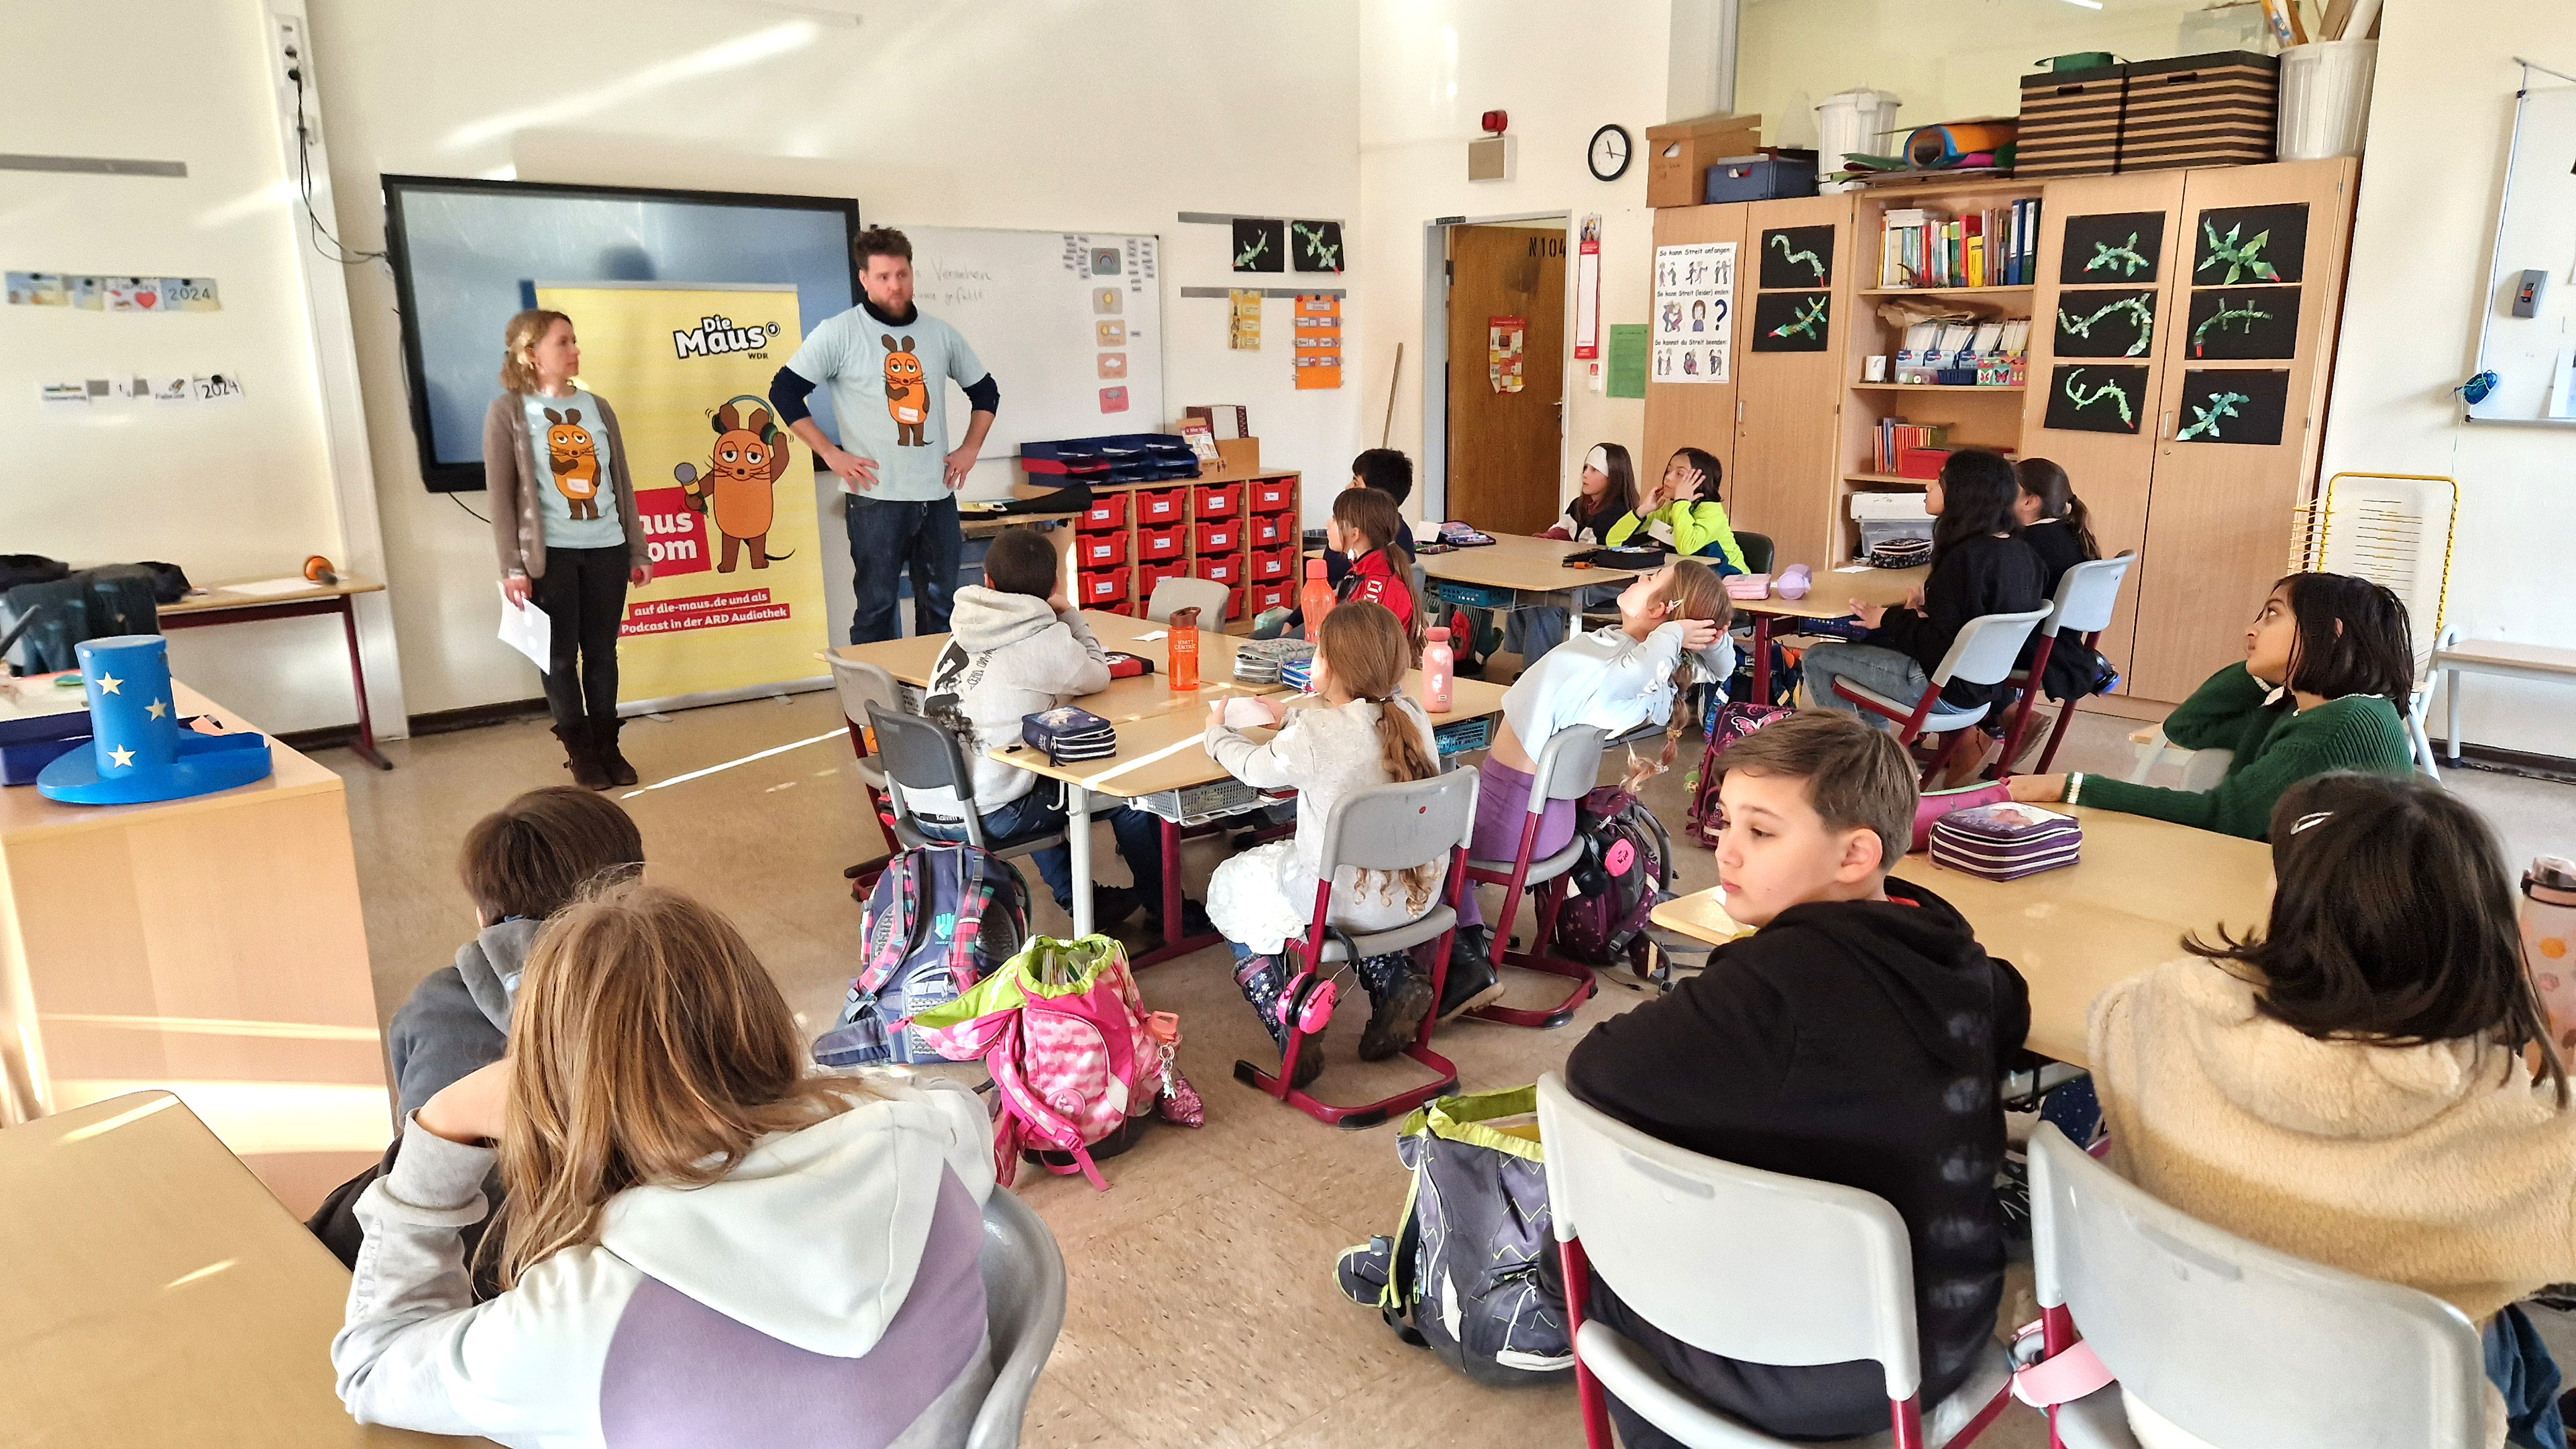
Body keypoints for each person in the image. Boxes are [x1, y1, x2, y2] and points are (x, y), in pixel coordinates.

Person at [333, 881, 998, 1445]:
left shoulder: (577, 1323)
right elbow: (937, 1096)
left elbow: (371, 1365)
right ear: (762, 1017)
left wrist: (437, 1134)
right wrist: (749, 1080)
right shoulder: (925, 1143)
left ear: (550, 1089)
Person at [1549, 711, 2029, 1445]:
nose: (1724, 848)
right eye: (1726, 820)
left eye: (1760, 831)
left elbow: (1596, 1072)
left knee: (1579, 1267)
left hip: (1827, 1367)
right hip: (1948, 1328)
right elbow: (2010, 1004)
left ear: (1854, 855)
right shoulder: (1949, 948)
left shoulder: (1771, 988)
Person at [2090, 773, 2576, 1449]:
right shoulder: (2522, 1134)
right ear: (2482, 938)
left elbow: (2111, 1025)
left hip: (2173, 1403)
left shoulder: (2151, 1012)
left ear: (2291, 906)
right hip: (2387, 1430)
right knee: (2518, 1352)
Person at [1453, 562, 1731, 991]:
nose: (1639, 577)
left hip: (1512, 817)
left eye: (1652, 579)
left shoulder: (1624, 673)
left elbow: (1660, 665)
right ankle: (1466, 928)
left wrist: (1675, 634)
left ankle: (1464, 961)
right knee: (1451, 835)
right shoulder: (1640, 673)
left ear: (1662, 610)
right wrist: (1686, 633)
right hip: (1550, 819)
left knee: (1426, 845)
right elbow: (1724, 663)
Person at [1202, 603, 1445, 1081]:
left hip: (1339, 903)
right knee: (1353, 871)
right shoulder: (1412, 716)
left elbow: (1253, 767)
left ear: (1327, 667)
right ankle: (1392, 976)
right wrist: (1291, 715)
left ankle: (1286, 1014)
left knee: (1229, 883)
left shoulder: (1316, 734)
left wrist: (1215, 733)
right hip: (1417, 896)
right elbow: (1348, 732)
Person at [914, 527, 1195, 936]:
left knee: (1039, 777)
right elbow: (1097, 672)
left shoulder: (960, 634)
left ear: (987, 581)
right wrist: (1069, 613)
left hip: (927, 804)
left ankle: (1086, 899)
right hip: (983, 815)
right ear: (1055, 585)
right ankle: (1169, 912)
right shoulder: (1045, 640)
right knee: (1127, 795)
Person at [2008, 572, 2416, 839]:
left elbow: (2221, 818)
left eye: (2272, 616)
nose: (2251, 629)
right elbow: (2187, 728)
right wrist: (2262, 672)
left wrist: (2072, 786)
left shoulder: (2339, 723)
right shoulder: (2302, 709)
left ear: (2330, 634)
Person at [769, 227, 1000, 645]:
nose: (895, 286)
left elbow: (985, 392)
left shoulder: (940, 333)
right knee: (877, 607)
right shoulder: (839, 332)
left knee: (943, 607)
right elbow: (784, 392)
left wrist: (970, 449)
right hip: (876, 499)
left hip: (936, 494)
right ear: (864, 279)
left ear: (911, 273)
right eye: (883, 277)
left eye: (902, 274)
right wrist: (831, 454)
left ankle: (935, 701)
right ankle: (871, 708)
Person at [387, 787, 647, 1120]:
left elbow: (410, 1150)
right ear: (641, 885)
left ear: (483, 916)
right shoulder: (694, 973)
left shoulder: (431, 1005)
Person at [483, 309, 653, 790]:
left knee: (603, 653)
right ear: (531, 354)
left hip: (607, 550)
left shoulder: (598, 407)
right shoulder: (509, 412)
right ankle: (580, 753)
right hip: (549, 558)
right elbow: (500, 497)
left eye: (574, 341)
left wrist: (637, 552)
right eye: (564, 343)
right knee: (559, 658)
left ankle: (608, 747)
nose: (575, 350)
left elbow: (622, 484)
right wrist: (512, 566)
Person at [1800, 449, 2045, 753]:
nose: (1929, 486)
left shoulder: (1964, 559)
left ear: (1963, 494)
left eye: (1940, 481)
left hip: (1941, 688)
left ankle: (1859, 762)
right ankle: (1880, 754)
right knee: (1859, 650)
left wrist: (1887, 619)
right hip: (1986, 690)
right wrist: (1921, 613)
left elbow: (1937, 646)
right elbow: (1969, 625)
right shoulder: (2024, 554)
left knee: (1818, 658)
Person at [2004, 458, 2106, 756]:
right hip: (2062, 646)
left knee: (1955, 636)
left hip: (2034, 648)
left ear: (2030, 502)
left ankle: (1994, 721)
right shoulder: (2070, 534)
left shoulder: (2026, 544)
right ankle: (1996, 720)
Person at [1514, 443, 1648, 662]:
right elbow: (1563, 529)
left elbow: (1593, 549)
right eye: (1586, 468)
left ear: (1612, 477)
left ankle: (1539, 667)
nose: (1585, 474)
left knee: (1544, 601)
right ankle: (1529, 657)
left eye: (1594, 470)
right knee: (1523, 589)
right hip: (1578, 576)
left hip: (1607, 583)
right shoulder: (1579, 505)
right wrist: (1546, 539)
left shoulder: (1619, 512)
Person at [1633, 446, 1749, 574]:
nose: (1668, 478)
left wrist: (1681, 502)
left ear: (1699, 482)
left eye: (1679, 474)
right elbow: (1615, 540)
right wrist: (1642, 511)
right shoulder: (1670, 509)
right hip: (1694, 582)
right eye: (1668, 471)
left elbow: (1686, 547)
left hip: (1730, 581)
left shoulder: (1711, 511)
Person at [1328, 486, 1419, 641]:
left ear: (1354, 534)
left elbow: (1367, 652)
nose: (1328, 523)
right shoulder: (1357, 572)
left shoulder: (1378, 584)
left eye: (1335, 519)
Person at [1322, 448, 1417, 592]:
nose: (1348, 488)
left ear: (1373, 496)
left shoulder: (1355, 535)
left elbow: (1327, 582)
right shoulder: (1403, 532)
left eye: (1356, 483)